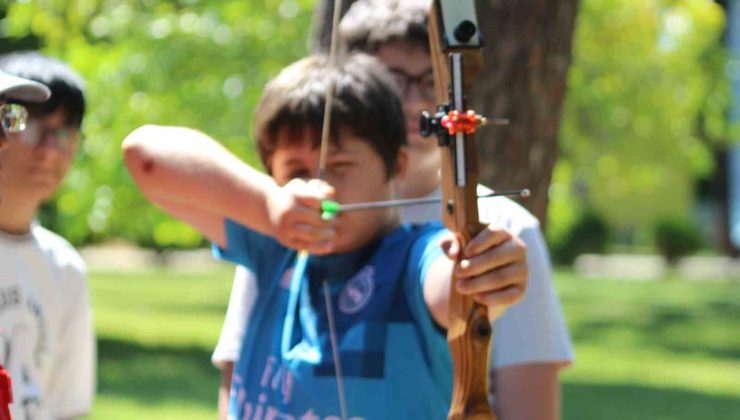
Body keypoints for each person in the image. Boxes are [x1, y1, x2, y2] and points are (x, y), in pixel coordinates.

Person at [214, 1, 574, 419]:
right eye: (394, 80)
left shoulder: (505, 225)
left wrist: (483, 270)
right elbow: (243, 372)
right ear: (350, 82)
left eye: (430, 80)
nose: (413, 101)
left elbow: (530, 402)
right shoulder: (293, 207)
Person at [123, 52, 528, 419]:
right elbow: (143, 155)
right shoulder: (272, 243)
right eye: (296, 169)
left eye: (340, 165)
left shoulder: (412, 257)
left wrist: (484, 272)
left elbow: (452, 289)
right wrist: (268, 206)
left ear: (397, 166)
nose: (320, 188)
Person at [0, 52, 95, 420]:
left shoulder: (65, 267)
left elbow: (66, 408)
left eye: (64, 133)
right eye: (26, 123)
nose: (49, 150)